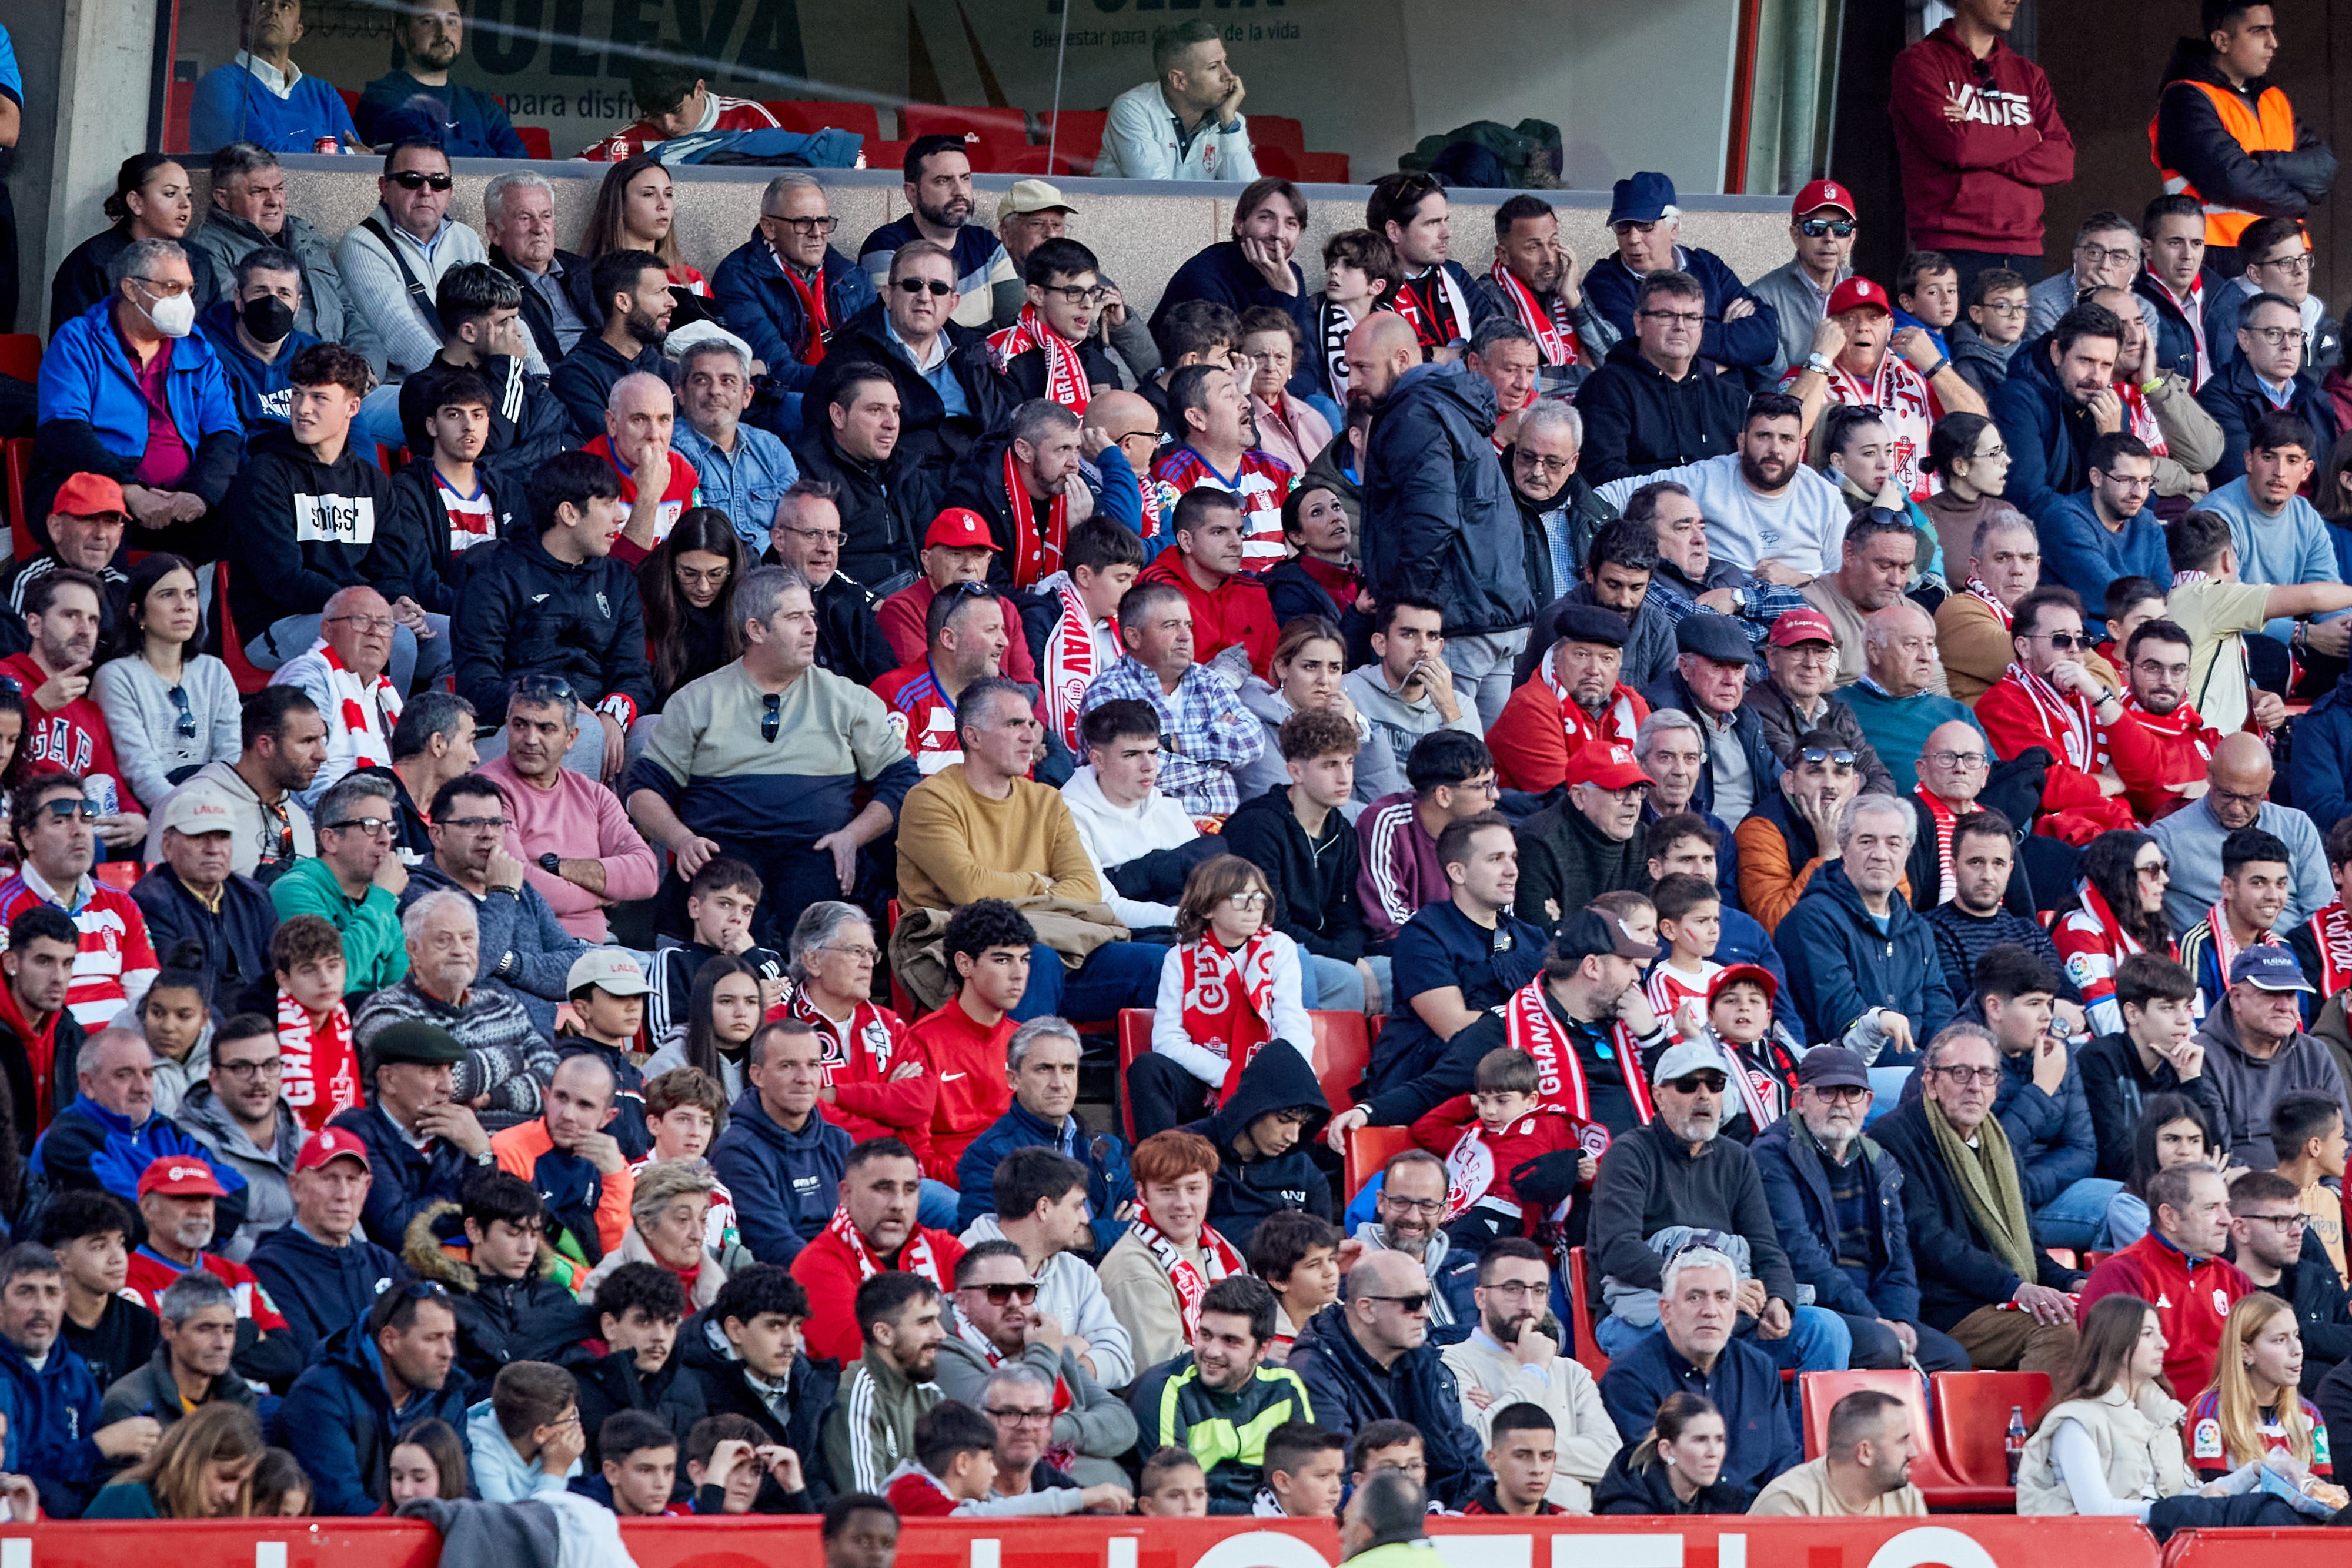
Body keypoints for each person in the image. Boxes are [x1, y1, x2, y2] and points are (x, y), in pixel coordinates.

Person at [894, 682, 1161, 1022]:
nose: (1030, 737)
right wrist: (1044, 885)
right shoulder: (931, 800)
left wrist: (1013, 896)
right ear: (973, 737)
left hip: (1061, 946)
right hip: (960, 958)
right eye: (1014, 724)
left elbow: (1087, 888)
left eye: (1031, 724)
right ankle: (1018, 1060)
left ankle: (1153, 1063)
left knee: (1161, 963)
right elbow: (971, 889)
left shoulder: (1047, 800)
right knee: (1033, 960)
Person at [1346, 316, 1534, 726]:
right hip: (1494, 613)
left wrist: (1406, 604)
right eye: (1349, 368)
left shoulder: (1414, 413)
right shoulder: (1445, 403)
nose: (1353, 381)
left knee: (1442, 745)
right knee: (1480, 752)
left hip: (1454, 619)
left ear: (1400, 359)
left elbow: (1431, 518)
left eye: (1362, 367)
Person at [1871, 1022, 2087, 1374]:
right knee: (2058, 1329)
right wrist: (2014, 1288)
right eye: (1960, 1073)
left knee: (2112, 1319)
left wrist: (2072, 1282)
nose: (1975, 1086)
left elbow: (2030, 1250)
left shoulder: (1999, 1146)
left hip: (1998, 1297)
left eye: (1986, 1074)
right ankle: (2046, 1414)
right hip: (1944, 1310)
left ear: (1996, 1087)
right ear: (1931, 1082)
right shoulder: (1893, 1138)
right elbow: (1929, 1241)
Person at [2019, 1292, 2320, 1527]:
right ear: (2116, 1343)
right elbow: (2097, 1510)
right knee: (2268, 1513)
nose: (2164, 1344)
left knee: (2277, 1507)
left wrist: (2256, 1471)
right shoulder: (2076, 1421)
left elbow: (2193, 1493)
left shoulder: (2161, 1418)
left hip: (2164, 1535)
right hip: (2108, 1547)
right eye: (2149, 1334)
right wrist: (2175, 1510)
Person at [1284, 1248, 1491, 1509]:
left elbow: (1468, 1464)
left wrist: (1466, 1515)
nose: (1425, 1313)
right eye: (1412, 1303)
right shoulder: (1315, 1372)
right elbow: (1340, 1480)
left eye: (1427, 1299)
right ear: (1367, 1309)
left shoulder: (1426, 1364)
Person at [2153, 1, 2336, 278]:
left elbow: (2323, 170)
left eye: (2272, 30)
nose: (2273, 43)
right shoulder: (2186, 98)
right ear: (2222, 41)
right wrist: (2298, 202)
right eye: (2259, 31)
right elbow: (2232, 180)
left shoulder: (2273, 99)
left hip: (2288, 256)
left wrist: (2265, 163)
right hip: (2221, 257)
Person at [1595, 1245, 1792, 1502]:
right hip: (1676, 1520)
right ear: (1666, 1311)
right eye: (1695, 1298)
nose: (1710, 1310)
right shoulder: (1629, 1378)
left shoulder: (1760, 1369)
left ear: (1734, 1311)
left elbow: (1783, 1463)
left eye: (1722, 1298)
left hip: (1761, 1517)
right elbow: (1657, 1477)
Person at [1436, 1239, 1623, 1511]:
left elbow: (1610, 1460)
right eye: (1512, 1289)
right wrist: (1534, 1371)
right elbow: (1475, 1449)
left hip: (1576, 1526)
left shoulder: (1571, 1373)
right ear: (1480, 1297)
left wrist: (1510, 1441)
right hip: (1498, 1524)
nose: (1528, 1305)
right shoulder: (1449, 1362)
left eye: (1538, 1291)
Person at [935, 1243, 1137, 1490]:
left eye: (1024, 1292)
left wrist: (1060, 1431)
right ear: (962, 1301)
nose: (1014, 1303)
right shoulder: (942, 1352)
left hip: (1097, 1500)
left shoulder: (1042, 1342)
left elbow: (1122, 1423)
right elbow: (999, 1433)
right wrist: (1043, 1354)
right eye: (998, 1293)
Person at [805, 244, 1018, 478]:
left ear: (953, 303)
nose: (925, 297)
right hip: (897, 487)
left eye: (938, 288)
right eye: (912, 285)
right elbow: (825, 440)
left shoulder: (972, 352)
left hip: (976, 483)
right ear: (888, 295)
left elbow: (1000, 433)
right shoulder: (851, 354)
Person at [399, 775, 587, 1038]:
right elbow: (468, 970)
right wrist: (503, 894)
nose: (488, 834)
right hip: (475, 1047)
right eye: (471, 823)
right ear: (437, 835)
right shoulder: (418, 892)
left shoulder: (521, 889)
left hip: (542, 1044)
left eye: (496, 823)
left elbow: (576, 971)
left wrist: (510, 963)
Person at [276, 1273, 467, 1515]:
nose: (448, 1353)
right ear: (389, 1340)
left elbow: (464, 1491)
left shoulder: (447, 1395)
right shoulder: (321, 1394)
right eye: (432, 1339)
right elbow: (340, 1505)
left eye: (450, 1338)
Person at [1224, 708, 1375, 1012]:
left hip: (1324, 952)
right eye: (1330, 765)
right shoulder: (1258, 826)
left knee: (1399, 974)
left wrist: (1354, 959)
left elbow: (1347, 917)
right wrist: (1350, 962)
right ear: (1296, 772)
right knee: (1347, 979)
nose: (1345, 777)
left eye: (1349, 763)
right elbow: (1271, 921)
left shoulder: (1342, 832)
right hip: (1264, 953)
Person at [187, 143, 380, 379]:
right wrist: (329, 377)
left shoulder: (305, 236)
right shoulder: (207, 249)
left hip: (348, 378)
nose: (274, 201)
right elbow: (249, 331)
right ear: (223, 199)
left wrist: (365, 367)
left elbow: (351, 314)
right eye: (259, 192)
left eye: (278, 189)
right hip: (289, 383)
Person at [1125, 1272, 1310, 1512]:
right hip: (1194, 1526)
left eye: (1230, 1341)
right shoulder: (1162, 1390)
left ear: (1263, 1349)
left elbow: (1305, 1478)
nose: (1212, 1352)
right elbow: (1175, 1503)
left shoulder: (1285, 1386)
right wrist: (1255, 1517)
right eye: (1205, 1335)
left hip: (1267, 1524)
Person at [1080, 579, 1262, 819]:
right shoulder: (1108, 692)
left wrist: (1173, 744)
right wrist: (1216, 763)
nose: (1186, 636)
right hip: (1152, 831)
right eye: (1170, 626)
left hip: (1227, 827)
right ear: (1134, 637)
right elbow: (1140, 773)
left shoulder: (1209, 682)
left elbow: (1253, 742)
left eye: (1188, 625)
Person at [963, 1146, 1136, 1387]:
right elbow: (976, 1374)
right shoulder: (962, 1269)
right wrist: (1065, 1350)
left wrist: (1052, 1363)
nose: (1085, 1219)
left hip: (1078, 1410)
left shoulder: (1077, 1271)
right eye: (1077, 1206)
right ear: (1044, 1208)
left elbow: (1121, 1361)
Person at [955, 1017, 1134, 1248]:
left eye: (1068, 1069)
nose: (1058, 1083)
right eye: (1044, 1069)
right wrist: (1105, 1234)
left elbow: (1147, 1228)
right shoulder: (989, 1155)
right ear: (1013, 1079)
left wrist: (1086, 1237)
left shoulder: (1104, 1146)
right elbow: (989, 1246)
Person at [711, 174, 877, 423]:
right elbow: (778, 370)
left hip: (853, 399)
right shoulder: (738, 277)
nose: (817, 233)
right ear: (769, 227)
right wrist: (856, 386)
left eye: (823, 221)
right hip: (780, 405)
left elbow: (876, 356)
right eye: (803, 222)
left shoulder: (853, 277)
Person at [1579, 173, 1778, 380]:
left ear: (1673, 228)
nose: (1633, 238)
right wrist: (1725, 347)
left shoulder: (1707, 266)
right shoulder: (1604, 282)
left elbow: (1765, 338)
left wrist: (1674, 338)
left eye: (1645, 225)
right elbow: (1643, 350)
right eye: (1623, 227)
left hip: (1735, 395)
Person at [0, 773, 157, 1028]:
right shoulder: (4, 907)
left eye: (86, 819)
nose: (79, 832)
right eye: (60, 821)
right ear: (28, 838)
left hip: (124, 1045)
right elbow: (11, 1015)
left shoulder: (121, 904)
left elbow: (146, 1000)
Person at [1572, 270, 1750, 489]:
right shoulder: (1605, 389)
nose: (1680, 326)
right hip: (1639, 509)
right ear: (1639, 323)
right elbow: (1603, 476)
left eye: (1691, 317)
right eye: (1666, 315)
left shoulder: (1731, 398)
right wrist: (1689, 491)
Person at [694, 1019, 850, 1270]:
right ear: (757, 1076)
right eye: (788, 1066)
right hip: (788, 1282)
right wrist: (844, 1276)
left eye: (813, 1065)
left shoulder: (839, 1141)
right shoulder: (736, 1152)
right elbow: (774, 1247)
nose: (804, 1078)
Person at [240, 1125, 398, 1363]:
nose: (342, 1194)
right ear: (296, 1187)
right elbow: (307, 1360)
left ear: (366, 1188)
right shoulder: (270, 1267)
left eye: (352, 1179)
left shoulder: (383, 1262)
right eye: (329, 1178)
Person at [1060, 697, 1209, 934]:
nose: (1148, 765)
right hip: (1120, 939)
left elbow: (1211, 889)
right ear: (1098, 760)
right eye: (1131, 755)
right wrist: (1197, 919)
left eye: (1153, 752)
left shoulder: (1169, 809)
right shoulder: (1067, 816)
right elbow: (1104, 905)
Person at [820, 1269, 948, 1496]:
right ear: (884, 1334)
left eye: (937, 1320)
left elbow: (958, 1484)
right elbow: (867, 1503)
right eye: (925, 1322)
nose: (941, 1334)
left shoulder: (930, 1394)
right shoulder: (854, 1397)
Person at [2226, 1169, 2352, 1393]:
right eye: (2281, 1221)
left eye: (2299, 1220)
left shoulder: (2320, 1280)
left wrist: (2299, 1333)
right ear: (2241, 1229)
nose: (2297, 1232)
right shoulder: (2221, 1292)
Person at [2200, 294, 2341, 486]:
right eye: (2274, 334)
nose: (2287, 346)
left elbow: (2333, 478)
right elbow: (2245, 478)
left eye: (2295, 335)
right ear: (2244, 340)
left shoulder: (2314, 396)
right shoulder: (2218, 399)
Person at [1742, 605, 1893, 784]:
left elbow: (1881, 779)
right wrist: (1857, 781)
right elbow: (1803, 780)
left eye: (1820, 652)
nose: (1811, 663)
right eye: (1797, 650)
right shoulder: (1754, 711)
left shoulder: (1838, 712)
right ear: (1771, 657)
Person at [352, 0, 520, 154]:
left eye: (451, 21)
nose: (443, 33)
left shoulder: (484, 106)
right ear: (403, 36)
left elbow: (519, 164)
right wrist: (490, 155)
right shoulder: (382, 98)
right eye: (428, 22)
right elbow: (430, 156)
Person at [1748, 1387, 1929, 1518]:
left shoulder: (1906, 1498)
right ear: (1865, 1453)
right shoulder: (1789, 1504)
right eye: (1902, 1441)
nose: (1913, 1452)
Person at [577, 58, 781, 161]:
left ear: (699, 89)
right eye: (654, 115)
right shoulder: (626, 142)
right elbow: (570, 175)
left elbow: (792, 179)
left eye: (677, 111)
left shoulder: (751, 119)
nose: (668, 125)